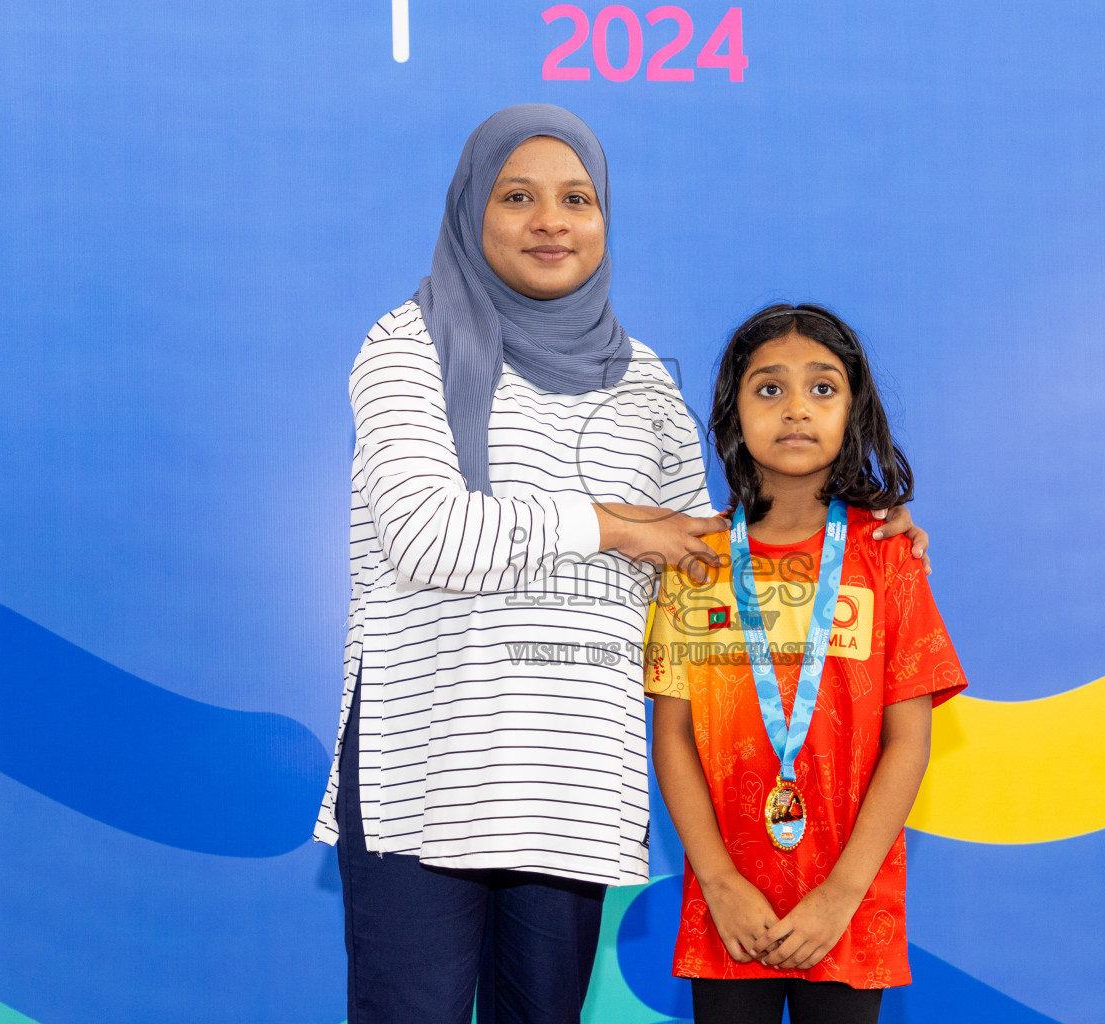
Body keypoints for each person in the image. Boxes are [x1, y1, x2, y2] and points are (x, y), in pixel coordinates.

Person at [311, 105, 932, 1024]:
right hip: (427, 775)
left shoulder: (642, 380)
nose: (550, 221)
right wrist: (610, 526)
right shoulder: (409, 346)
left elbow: (705, 554)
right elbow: (427, 533)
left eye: (577, 199)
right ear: (471, 209)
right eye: (518, 197)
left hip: (571, 783)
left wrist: (859, 518)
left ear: (606, 221)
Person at [646, 304, 968, 1024]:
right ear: (732, 413)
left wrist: (843, 893)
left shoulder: (889, 555)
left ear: (854, 409)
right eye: (769, 389)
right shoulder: (695, 563)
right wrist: (720, 881)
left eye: (822, 388)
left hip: (849, 905)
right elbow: (672, 738)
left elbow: (908, 740)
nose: (796, 409)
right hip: (729, 907)